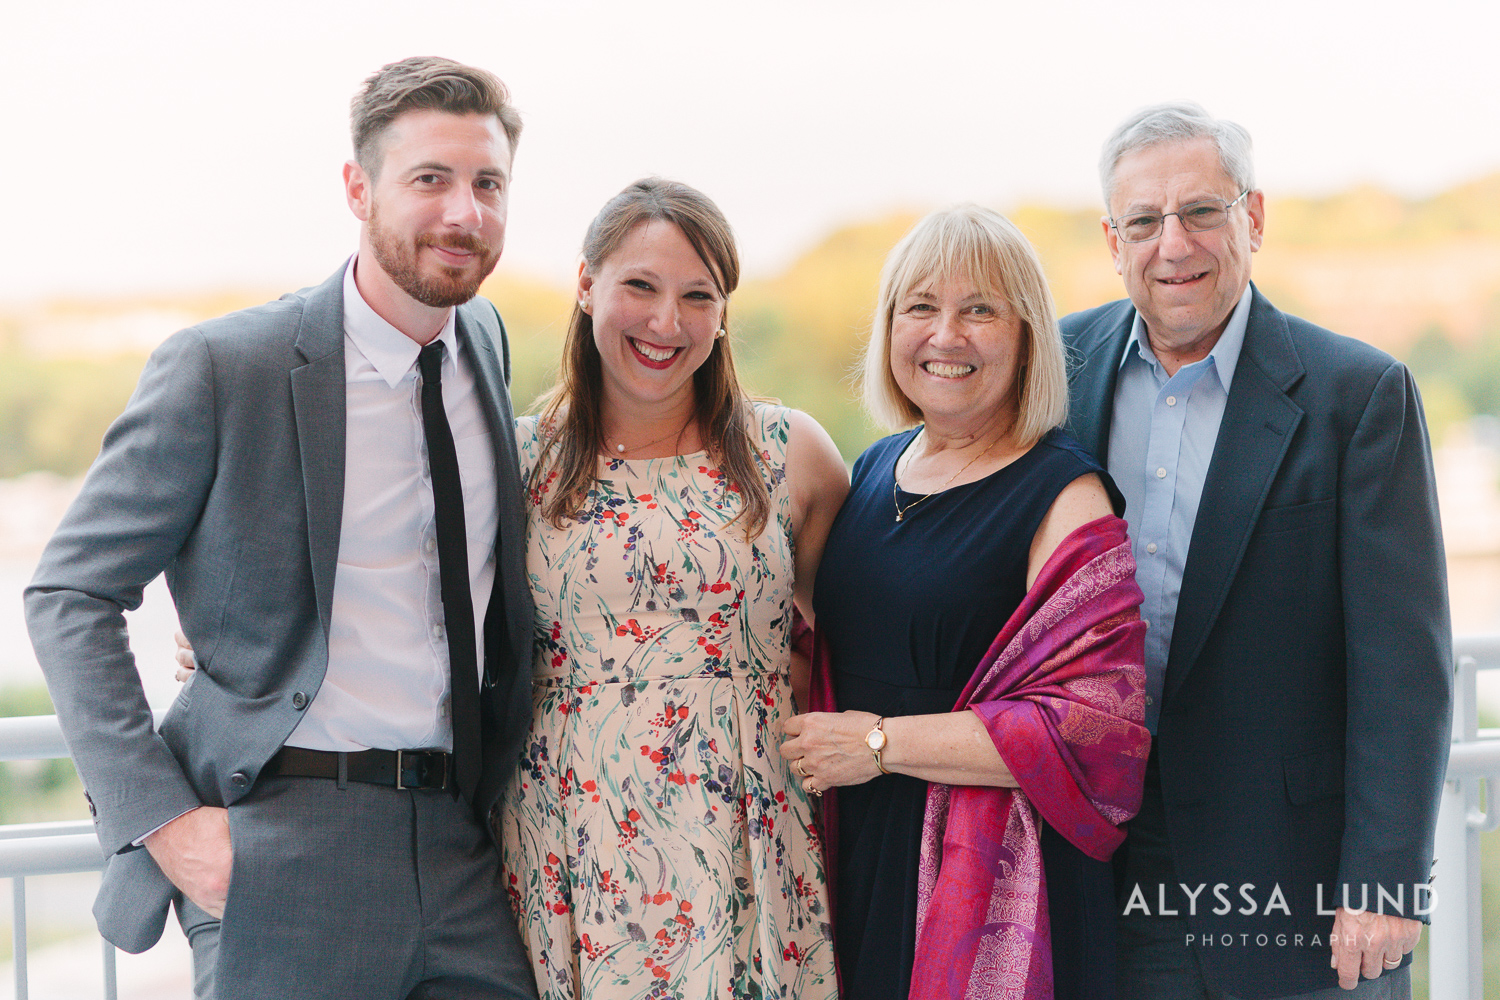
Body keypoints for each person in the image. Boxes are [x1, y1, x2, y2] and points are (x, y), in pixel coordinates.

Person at [25, 57, 538, 1000]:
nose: (464, 213)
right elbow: (68, 594)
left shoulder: (486, 343)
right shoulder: (229, 368)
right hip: (285, 841)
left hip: (464, 845)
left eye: (488, 183)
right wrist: (167, 825)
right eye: (430, 179)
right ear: (358, 187)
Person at [1062, 102, 1452, 999]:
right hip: (1105, 857)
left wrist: (1386, 882)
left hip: (1300, 882)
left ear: (1255, 217)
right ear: (1112, 241)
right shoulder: (1056, 367)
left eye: (1203, 211)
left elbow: (1405, 665)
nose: (1175, 245)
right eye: (1145, 222)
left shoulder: (1359, 394)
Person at [779, 204, 1152, 1000]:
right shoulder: (875, 469)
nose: (945, 335)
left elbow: (1094, 734)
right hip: (863, 851)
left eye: (979, 309)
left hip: (999, 883)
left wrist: (878, 745)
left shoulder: (1066, 494)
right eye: (920, 307)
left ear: (1025, 338)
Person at [494, 178, 849, 999]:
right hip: (569, 840)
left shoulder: (791, 453)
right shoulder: (512, 463)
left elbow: (856, 631)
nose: (667, 323)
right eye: (641, 287)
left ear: (724, 311)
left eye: (699, 295)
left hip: (748, 836)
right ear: (587, 286)